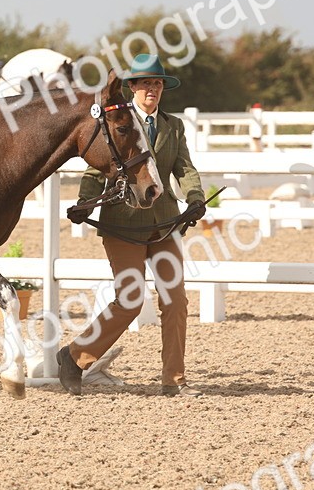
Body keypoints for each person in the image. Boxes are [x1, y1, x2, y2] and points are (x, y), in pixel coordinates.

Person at [59, 53, 207, 397]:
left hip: (165, 224)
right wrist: (85, 201)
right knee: (130, 300)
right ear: (133, 88)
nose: (152, 89)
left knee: (176, 300)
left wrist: (195, 197)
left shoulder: (173, 126)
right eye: (145, 83)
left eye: (157, 83)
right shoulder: (118, 123)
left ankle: (174, 380)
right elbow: (95, 170)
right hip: (123, 225)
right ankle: (73, 357)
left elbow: (183, 167)